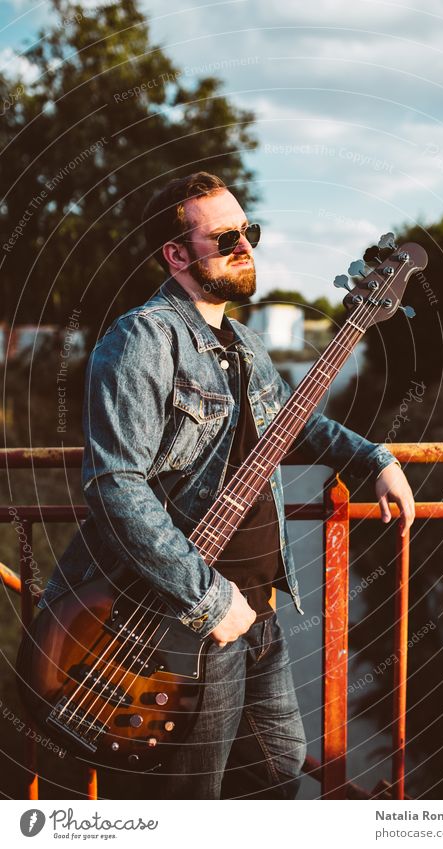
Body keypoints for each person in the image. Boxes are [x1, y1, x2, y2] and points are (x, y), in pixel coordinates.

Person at [39, 171, 415, 799]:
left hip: (260, 612)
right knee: (194, 795)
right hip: (186, 614)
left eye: (251, 233)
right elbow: (114, 484)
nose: (246, 247)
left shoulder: (241, 341)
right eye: (226, 237)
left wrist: (372, 458)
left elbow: (292, 419)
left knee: (277, 771)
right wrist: (209, 599)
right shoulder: (143, 339)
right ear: (178, 254)